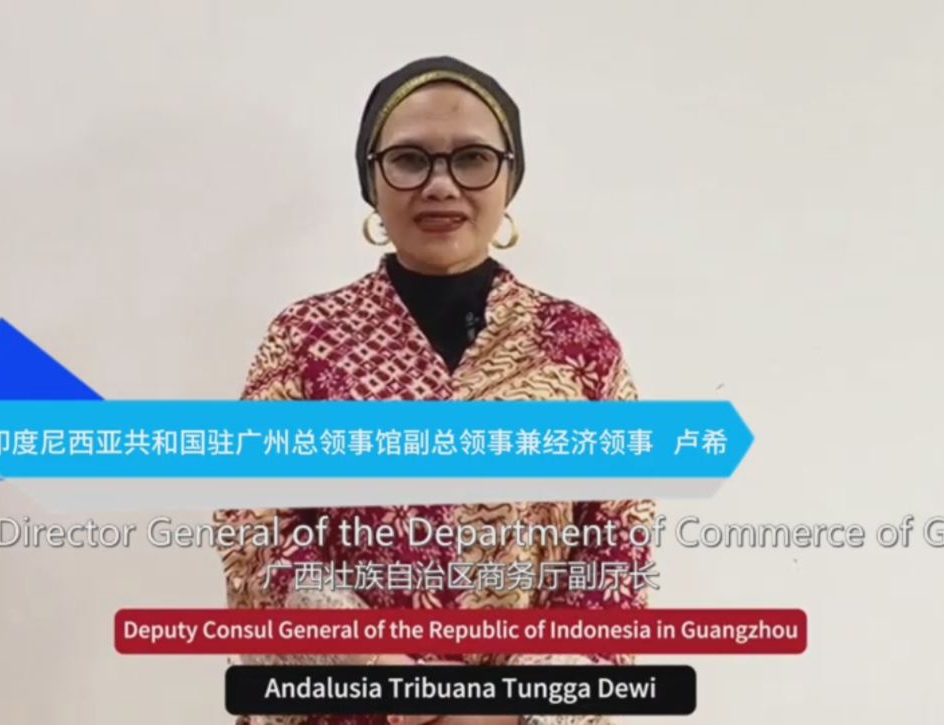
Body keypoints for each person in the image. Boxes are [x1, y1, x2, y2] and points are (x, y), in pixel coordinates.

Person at [215, 56, 656, 725]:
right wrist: (383, 671)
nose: (441, 185)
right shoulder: (304, 338)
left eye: (473, 158)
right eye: (409, 159)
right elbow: (257, 529)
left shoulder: (577, 345)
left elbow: (619, 538)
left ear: (509, 176)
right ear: (372, 180)